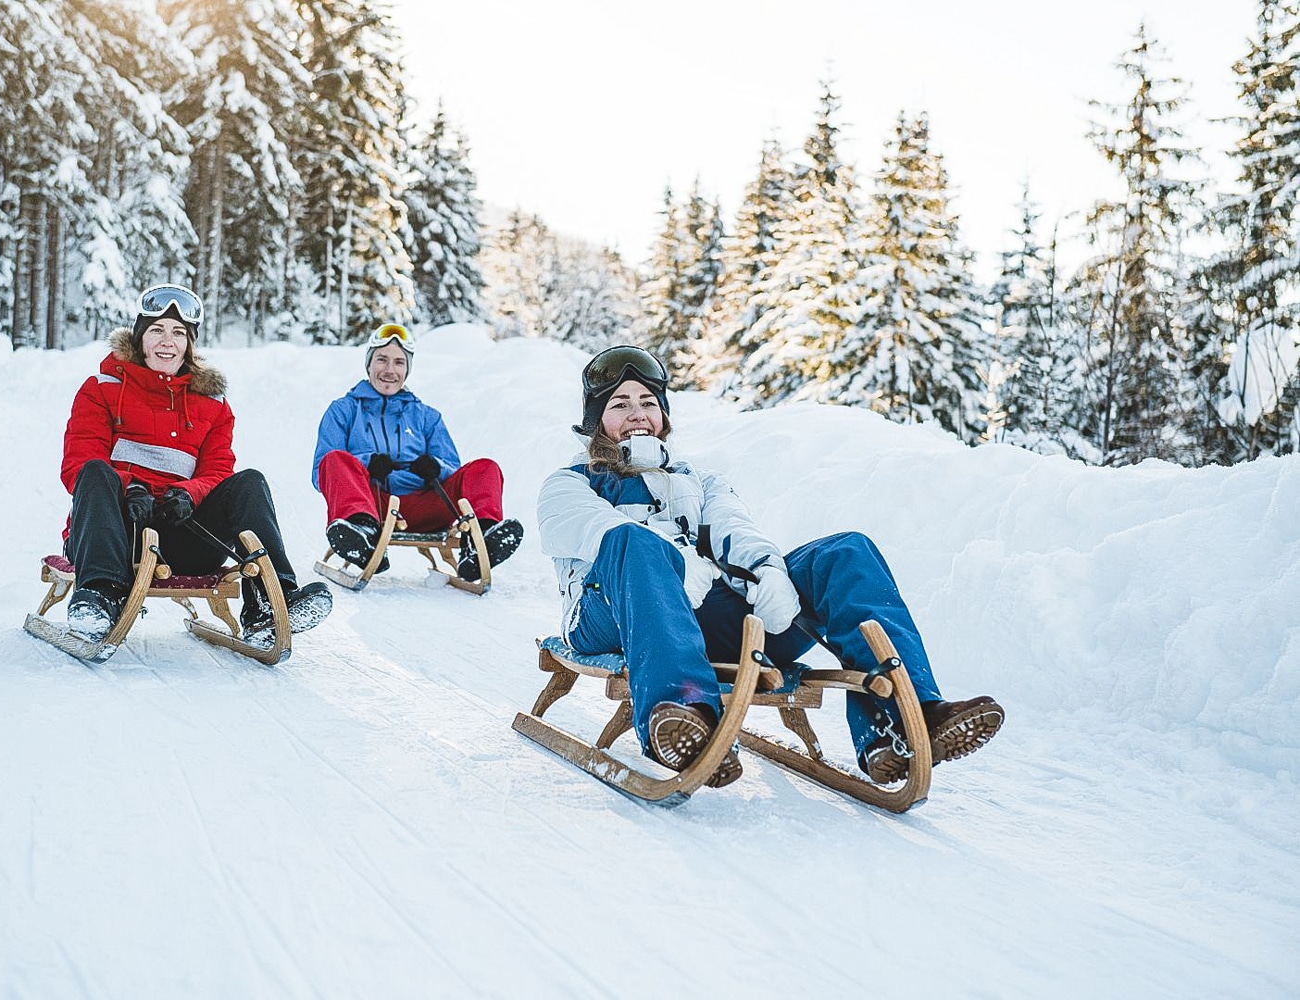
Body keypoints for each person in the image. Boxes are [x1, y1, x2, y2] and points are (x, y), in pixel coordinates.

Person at [536, 345, 1004, 787]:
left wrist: (768, 572)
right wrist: (672, 562)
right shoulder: (568, 485)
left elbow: (735, 529)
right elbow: (597, 531)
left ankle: (907, 719)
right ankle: (685, 718)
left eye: (647, 401)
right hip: (610, 616)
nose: (637, 413)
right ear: (596, 421)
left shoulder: (700, 482)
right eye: (619, 404)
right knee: (630, 543)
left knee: (845, 553)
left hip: (703, 617)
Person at [59, 283, 331, 643]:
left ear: (190, 343)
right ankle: (99, 598)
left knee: (249, 482)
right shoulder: (101, 387)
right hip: (113, 536)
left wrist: (188, 493)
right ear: (139, 337)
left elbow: (218, 471)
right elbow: (79, 463)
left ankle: (270, 602)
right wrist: (130, 488)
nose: (166, 342)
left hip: (181, 533)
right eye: (156, 330)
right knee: (95, 472)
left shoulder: (213, 404)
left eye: (178, 333)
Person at [311, 323, 523, 582]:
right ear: (369, 364)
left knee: (485, 467)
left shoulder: (426, 417)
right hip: (373, 503)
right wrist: (366, 464)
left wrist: (434, 467)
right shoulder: (343, 411)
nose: (390, 370)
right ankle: (362, 536)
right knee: (334, 459)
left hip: (425, 505)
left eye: (399, 363)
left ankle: (480, 540)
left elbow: (452, 468)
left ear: (407, 369)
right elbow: (321, 472)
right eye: (382, 360)